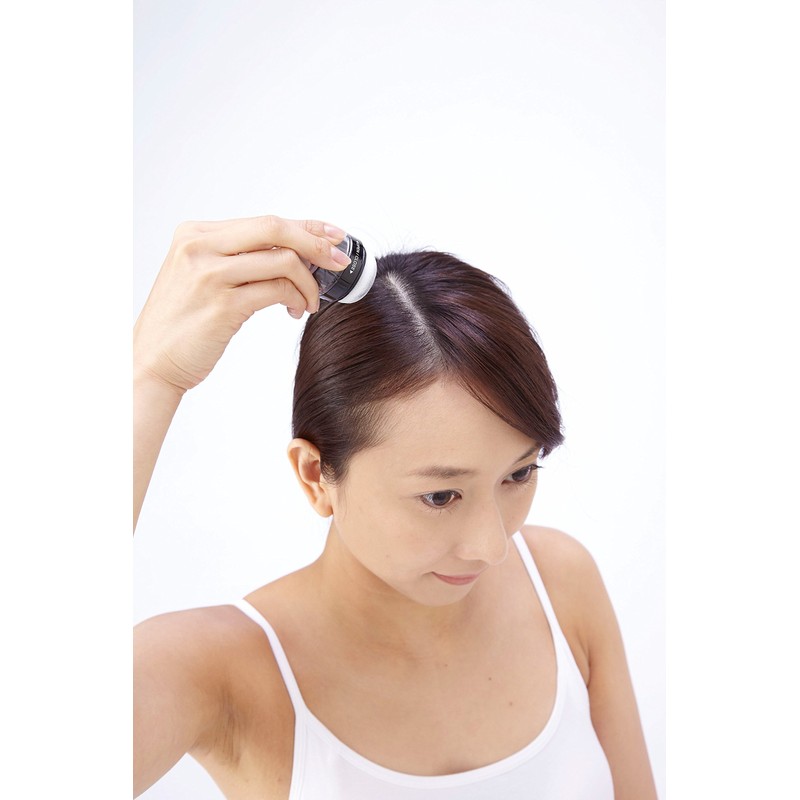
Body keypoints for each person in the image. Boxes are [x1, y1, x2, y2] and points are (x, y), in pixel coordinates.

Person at [133, 214, 657, 799]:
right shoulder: (220, 669)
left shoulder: (560, 584)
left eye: (519, 473)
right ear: (316, 477)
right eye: (440, 495)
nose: (492, 546)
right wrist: (151, 376)